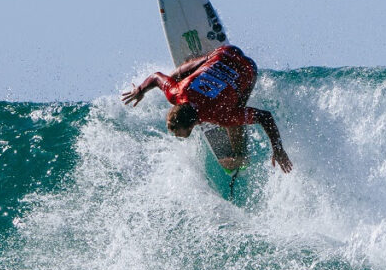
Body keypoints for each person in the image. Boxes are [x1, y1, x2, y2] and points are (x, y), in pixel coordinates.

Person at [121, 45, 293, 174]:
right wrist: (140, 90)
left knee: (235, 117)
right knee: (176, 77)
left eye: (177, 131)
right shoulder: (176, 93)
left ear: (190, 126)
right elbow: (156, 77)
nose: (174, 135)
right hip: (225, 51)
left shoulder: (220, 115)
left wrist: (278, 149)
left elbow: (265, 116)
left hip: (247, 68)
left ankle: (240, 156)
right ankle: (199, 60)